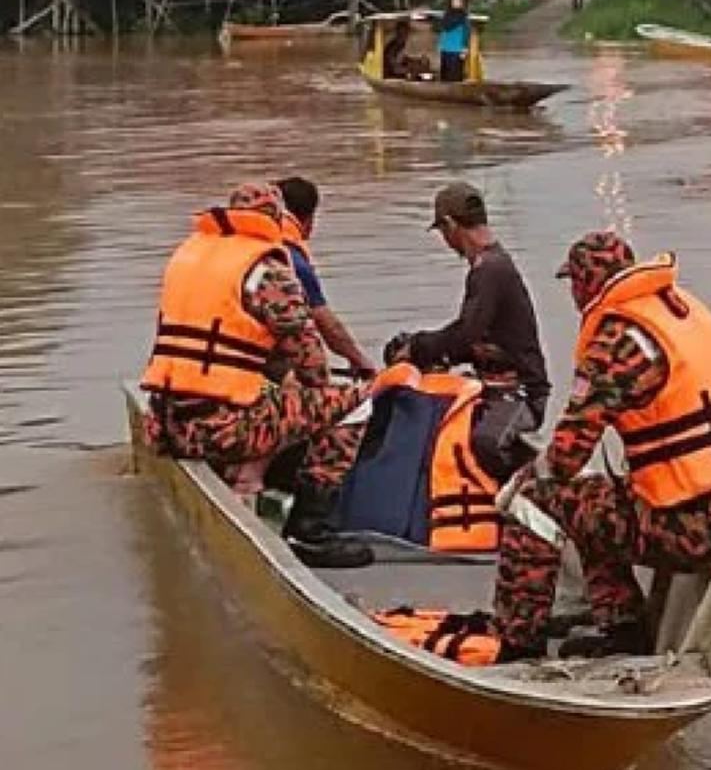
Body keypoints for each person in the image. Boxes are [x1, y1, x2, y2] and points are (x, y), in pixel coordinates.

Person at [488, 231, 711, 662]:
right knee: (596, 501)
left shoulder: (619, 342)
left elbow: (565, 455)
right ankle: (622, 632)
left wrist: (519, 483)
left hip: (692, 524)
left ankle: (517, 642)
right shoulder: (682, 314)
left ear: (584, 285)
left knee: (537, 501)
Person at [138, 182, 369, 568]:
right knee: (352, 406)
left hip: (166, 423)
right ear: (276, 220)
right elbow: (312, 366)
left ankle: (246, 476)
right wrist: (332, 389)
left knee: (268, 394)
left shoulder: (187, 259)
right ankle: (310, 532)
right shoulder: (266, 270)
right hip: (220, 431)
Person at [386, 182, 550, 480]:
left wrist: (418, 347)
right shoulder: (489, 266)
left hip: (523, 393)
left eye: (443, 232)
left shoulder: (490, 270)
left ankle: (526, 499)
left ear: (450, 225)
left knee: (484, 444)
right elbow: (466, 341)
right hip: (492, 384)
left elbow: (465, 334)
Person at [273, 176, 377, 377]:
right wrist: (360, 361)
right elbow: (327, 325)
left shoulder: (233, 246)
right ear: (310, 221)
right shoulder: (289, 259)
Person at [437, 0, 472, 83]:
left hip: (457, 50)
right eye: (454, 1)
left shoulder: (463, 17)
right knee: (444, 75)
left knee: (455, 76)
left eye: (457, 1)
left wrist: (464, 48)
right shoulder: (447, 15)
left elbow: (467, 33)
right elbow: (443, 30)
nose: (455, 3)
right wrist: (440, 44)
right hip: (445, 49)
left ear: (461, 3)